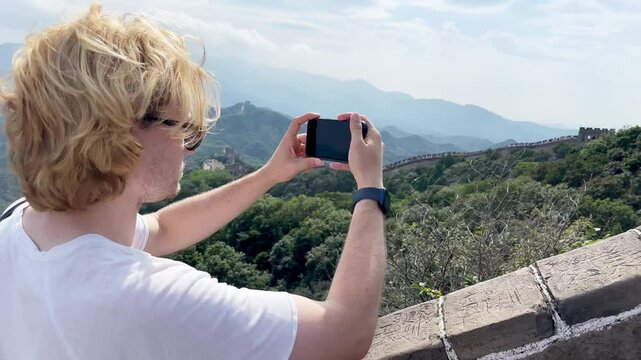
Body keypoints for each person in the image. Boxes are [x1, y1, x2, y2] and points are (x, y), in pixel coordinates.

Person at [0, 4, 386, 360]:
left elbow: (161, 228)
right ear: (123, 132)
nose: (189, 150)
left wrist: (268, 175)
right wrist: (370, 188)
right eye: (185, 130)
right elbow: (343, 333)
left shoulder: (17, 226)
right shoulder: (148, 299)